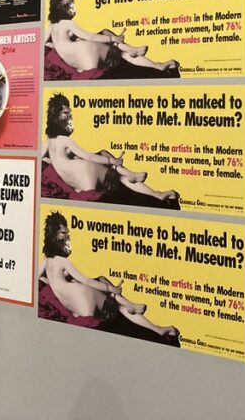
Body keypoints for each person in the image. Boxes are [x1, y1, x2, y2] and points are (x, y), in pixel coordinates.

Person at [39, 212, 178, 342]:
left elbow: (38, 278)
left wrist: (54, 283)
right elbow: (86, 280)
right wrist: (111, 288)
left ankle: (135, 309)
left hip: (77, 306)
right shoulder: (62, 261)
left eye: (67, 233)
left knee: (101, 280)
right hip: (86, 298)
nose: (67, 237)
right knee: (115, 300)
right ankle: (141, 315)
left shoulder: (46, 260)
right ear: (53, 236)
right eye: (63, 233)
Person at [43, 93, 178, 205]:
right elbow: (88, 156)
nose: (69, 116)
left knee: (104, 155)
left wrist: (58, 162)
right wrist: (113, 161)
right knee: (117, 173)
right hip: (88, 173)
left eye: (69, 113)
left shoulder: (49, 140)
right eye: (65, 113)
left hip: (79, 182)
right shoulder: (64, 139)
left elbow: (42, 157)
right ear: (55, 115)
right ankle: (137, 180)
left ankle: (140, 182)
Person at [45, 0, 178, 73]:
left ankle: (147, 59)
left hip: (78, 62)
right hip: (87, 53)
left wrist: (58, 46)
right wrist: (114, 39)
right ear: (58, 1)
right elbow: (90, 37)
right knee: (117, 47)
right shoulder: (67, 23)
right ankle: (141, 55)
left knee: (108, 36)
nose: (72, 0)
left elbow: (43, 43)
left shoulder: (52, 24)